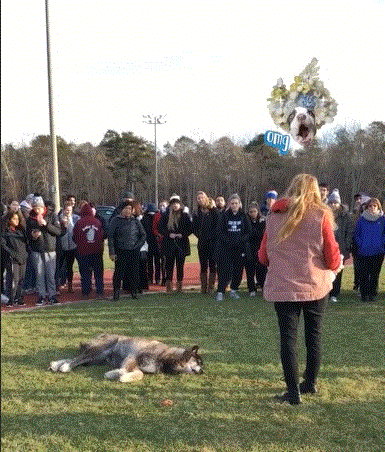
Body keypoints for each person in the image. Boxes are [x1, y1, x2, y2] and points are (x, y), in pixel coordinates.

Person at [258, 174, 342, 405]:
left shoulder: (273, 217)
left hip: (283, 286)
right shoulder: (321, 215)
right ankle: (310, 383)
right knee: (314, 335)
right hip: (315, 285)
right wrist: (334, 267)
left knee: (288, 339)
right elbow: (332, 255)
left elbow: (263, 256)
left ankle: (293, 391)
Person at [26, 196, 62, 305]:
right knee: (39, 275)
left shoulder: (52, 215)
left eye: (39, 208)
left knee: (50, 275)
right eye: (35, 208)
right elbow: (27, 234)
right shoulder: (30, 218)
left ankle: (52, 295)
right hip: (37, 250)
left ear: (43, 207)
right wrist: (33, 235)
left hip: (50, 249)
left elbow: (58, 231)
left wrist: (46, 225)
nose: (37, 210)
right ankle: (41, 296)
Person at [108, 200, 146, 300]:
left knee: (134, 272)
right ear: (121, 210)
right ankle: (116, 293)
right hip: (120, 251)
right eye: (126, 208)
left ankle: (134, 292)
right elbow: (110, 237)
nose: (128, 211)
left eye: (130, 209)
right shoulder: (115, 221)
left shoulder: (135, 221)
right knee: (119, 273)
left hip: (134, 251)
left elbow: (143, 235)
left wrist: (138, 246)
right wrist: (112, 252)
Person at [215, 193, 251, 301]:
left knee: (238, 270)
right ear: (229, 204)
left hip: (239, 248)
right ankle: (220, 291)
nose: (234, 205)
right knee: (224, 270)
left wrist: (241, 240)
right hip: (226, 248)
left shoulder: (244, 216)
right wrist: (228, 240)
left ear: (239, 204)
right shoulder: (224, 216)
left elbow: (249, 232)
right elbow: (219, 231)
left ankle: (234, 290)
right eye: (232, 203)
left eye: (236, 203)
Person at [157, 194, 192, 293]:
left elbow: (190, 228)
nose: (175, 205)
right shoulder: (165, 215)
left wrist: (183, 234)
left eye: (177, 203)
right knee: (169, 266)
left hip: (181, 244)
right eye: (173, 204)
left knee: (180, 266)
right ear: (171, 205)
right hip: (169, 244)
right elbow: (160, 228)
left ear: (179, 204)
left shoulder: (185, 215)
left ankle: (179, 286)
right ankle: (169, 287)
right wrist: (169, 234)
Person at [354, 198, 385, 302]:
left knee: (374, 274)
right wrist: (361, 244)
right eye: (370, 206)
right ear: (367, 207)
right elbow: (356, 234)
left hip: (378, 252)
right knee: (364, 274)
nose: (372, 208)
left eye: (375, 206)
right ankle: (364, 294)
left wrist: (381, 244)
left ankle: (372, 293)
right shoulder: (361, 220)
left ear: (378, 207)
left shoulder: (382, 220)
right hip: (364, 252)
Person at [73, 203, 106, 298]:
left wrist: (80, 244)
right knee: (98, 273)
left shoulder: (79, 223)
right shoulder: (97, 222)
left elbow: (74, 237)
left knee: (85, 273)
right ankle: (100, 291)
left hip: (83, 252)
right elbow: (102, 235)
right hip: (96, 251)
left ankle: (86, 292)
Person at [327, 189, 354, 302]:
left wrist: (346, 245)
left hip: (340, 248)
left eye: (335, 202)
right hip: (327, 248)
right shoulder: (325, 214)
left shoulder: (346, 216)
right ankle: (326, 291)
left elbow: (349, 232)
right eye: (331, 202)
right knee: (326, 271)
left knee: (337, 271)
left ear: (339, 203)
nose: (333, 205)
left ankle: (335, 293)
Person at [192, 191, 219, 293]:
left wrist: (211, 236)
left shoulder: (214, 211)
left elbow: (218, 226)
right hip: (202, 243)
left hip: (212, 242)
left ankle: (211, 287)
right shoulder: (197, 212)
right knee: (203, 265)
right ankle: (203, 287)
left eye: (202, 198)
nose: (200, 200)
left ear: (206, 198)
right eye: (198, 198)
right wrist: (199, 235)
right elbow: (194, 227)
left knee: (212, 265)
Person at [1, 211, 28, 306]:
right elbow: (4, 245)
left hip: (22, 258)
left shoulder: (21, 230)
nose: (16, 221)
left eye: (18, 219)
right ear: (9, 220)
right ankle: (10, 299)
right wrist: (13, 254)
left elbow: (26, 242)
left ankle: (18, 298)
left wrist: (25, 254)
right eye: (14, 219)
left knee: (21, 279)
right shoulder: (5, 232)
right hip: (12, 259)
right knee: (13, 279)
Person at [56, 202, 80, 293]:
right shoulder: (58, 219)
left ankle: (70, 286)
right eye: (66, 210)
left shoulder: (76, 218)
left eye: (70, 210)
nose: (68, 212)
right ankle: (57, 286)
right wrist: (63, 225)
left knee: (69, 267)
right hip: (62, 247)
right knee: (59, 267)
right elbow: (58, 232)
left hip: (72, 247)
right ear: (63, 210)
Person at [245, 202, 267, 296]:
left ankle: (263, 286)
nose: (253, 213)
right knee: (250, 269)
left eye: (254, 211)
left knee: (261, 269)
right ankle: (251, 289)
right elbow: (247, 234)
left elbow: (261, 233)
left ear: (258, 212)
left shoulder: (263, 220)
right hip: (249, 247)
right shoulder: (246, 221)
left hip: (260, 247)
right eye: (251, 212)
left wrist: (253, 232)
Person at [142, 203, 161, 285]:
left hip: (150, 242)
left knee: (150, 261)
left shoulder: (144, 218)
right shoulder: (158, 217)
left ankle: (151, 278)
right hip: (155, 241)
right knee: (157, 262)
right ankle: (157, 278)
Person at [152, 200, 168, 285]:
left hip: (167, 240)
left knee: (165, 261)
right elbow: (154, 228)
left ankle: (165, 279)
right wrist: (157, 234)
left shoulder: (169, 214)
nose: (162, 207)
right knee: (158, 261)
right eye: (161, 206)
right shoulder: (157, 215)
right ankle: (158, 278)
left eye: (164, 205)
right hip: (159, 241)